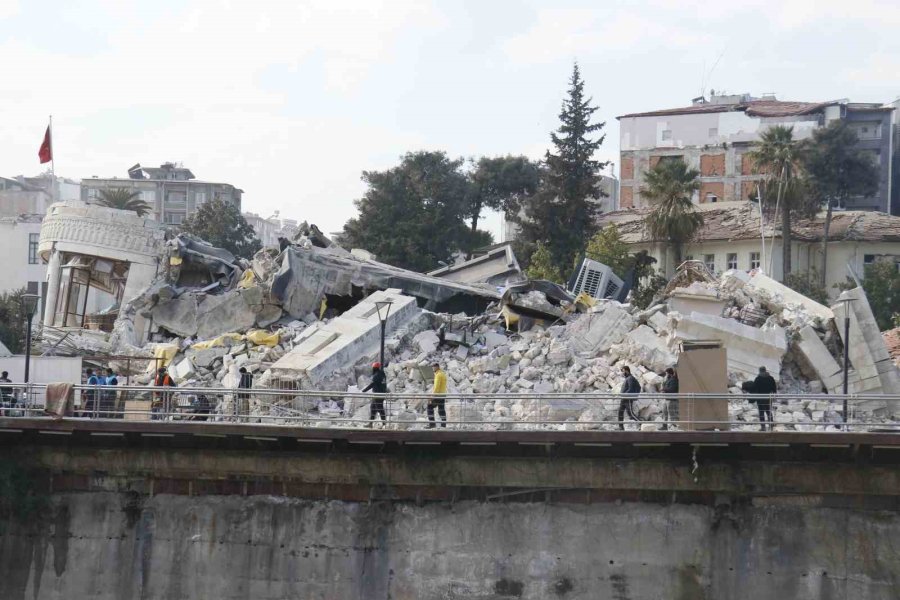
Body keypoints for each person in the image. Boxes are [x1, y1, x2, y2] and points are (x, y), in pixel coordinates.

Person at [751, 366, 777, 431]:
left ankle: (763, 427)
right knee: (769, 411)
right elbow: (774, 388)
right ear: (765, 370)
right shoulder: (771, 378)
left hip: (760, 398)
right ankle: (771, 426)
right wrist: (774, 395)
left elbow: (754, 389)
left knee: (761, 413)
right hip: (768, 398)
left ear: (760, 371)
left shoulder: (758, 379)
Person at [618, 365, 642, 430]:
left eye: (623, 371)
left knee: (631, 414)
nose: (622, 373)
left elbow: (630, 389)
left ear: (627, 371)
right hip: (624, 399)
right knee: (620, 412)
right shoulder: (627, 378)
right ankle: (621, 427)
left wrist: (624, 395)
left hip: (627, 399)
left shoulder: (630, 378)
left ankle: (641, 424)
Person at [427, 362, 448, 429]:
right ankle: (443, 425)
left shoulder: (438, 375)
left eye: (434, 367)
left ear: (437, 367)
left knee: (429, 407)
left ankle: (432, 424)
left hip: (438, 396)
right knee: (441, 410)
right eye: (432, 367)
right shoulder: (443, 374)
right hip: (443, 395)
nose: (433, 368)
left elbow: (436, 387)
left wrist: (432, 397)